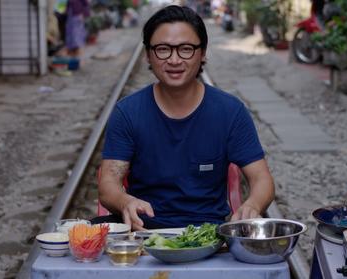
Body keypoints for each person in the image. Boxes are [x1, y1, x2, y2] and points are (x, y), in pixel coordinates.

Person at [95, 5, 275, 231]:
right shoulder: (128, 112)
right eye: (163, 49)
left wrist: (253, 205)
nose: (174, 60)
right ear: (148, 54)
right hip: (143, 233)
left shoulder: (230, 111)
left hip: (209, 236)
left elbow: (261, 178)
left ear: (203, 52)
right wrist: (125, 202)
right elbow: (108, 183)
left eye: (186, 49)